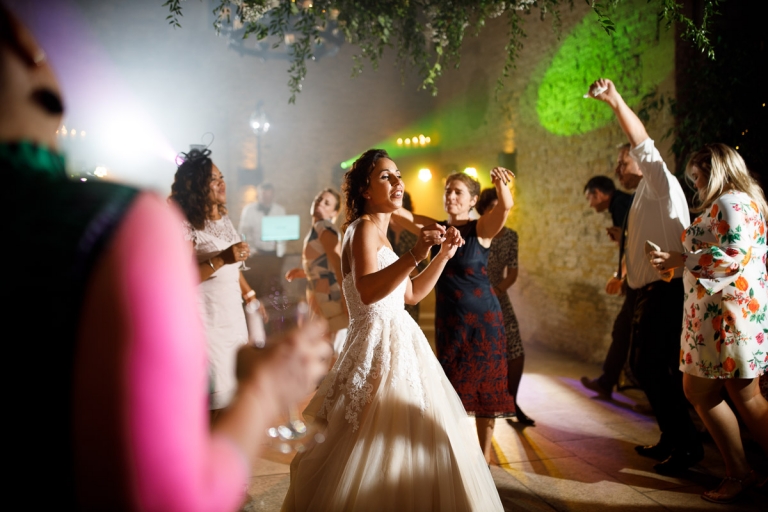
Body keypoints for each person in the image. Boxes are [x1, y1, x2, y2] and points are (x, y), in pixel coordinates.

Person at [3, 5, 331, 510]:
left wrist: (248, 293)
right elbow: (172, 499)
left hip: (230, 317)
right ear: (25, 46)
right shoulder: (122, 222)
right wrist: (268, 390)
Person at [282, 149, 504, 511]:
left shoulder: (383, 237)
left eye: (398, 175)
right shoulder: (361, 229)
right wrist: (417, 252)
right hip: (375, 345)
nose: (398, 182)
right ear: (366, 190)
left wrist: (443, 255)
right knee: (369, 444)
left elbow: (412, 294)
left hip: (403, 343)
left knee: (415, 442)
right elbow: (369, 292)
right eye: (386, 176)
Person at [588, 77, 704, 475]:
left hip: (666, 290)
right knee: (645, 367)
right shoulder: (640, 198)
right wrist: (625, 274)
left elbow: (643, 142)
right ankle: (674, 438)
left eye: (624, 161)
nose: (620, 167)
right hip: (646, 292)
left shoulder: (661, 183)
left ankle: (687, 446)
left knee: (652, 367)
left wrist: (615, 100)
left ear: (642, 163)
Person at [648, 144, 767, 503]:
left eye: (697, 178)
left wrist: (681, 258)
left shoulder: (730, 202)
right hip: (728, 315)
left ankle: (739, 474)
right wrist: (678, 266)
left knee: (710, 393)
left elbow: (732, 257)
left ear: (713, 172)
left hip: (724, 319)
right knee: (744, 397)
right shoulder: (744, 201)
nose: (696, 186)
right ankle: (742, 473)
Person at [395, 168, 517, 465]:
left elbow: (506, 207)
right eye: (447, 190)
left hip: (485, 322)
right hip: (450, 322)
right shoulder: (435, 230)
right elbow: (401, 216)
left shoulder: (481, 230)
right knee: (451, 385)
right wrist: (390, 186)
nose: (450, 196)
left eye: (457, 192)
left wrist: (501, 185)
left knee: (485, 389)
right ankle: (455, 451)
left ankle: (485, 456)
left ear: (473, 200)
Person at [169, 148, 268, 415]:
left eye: (221, 177)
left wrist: (250, 295)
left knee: (233, 391)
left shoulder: (222, 217)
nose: (222, 183)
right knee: (213, 398)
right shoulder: (185, 222)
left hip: (232, 316)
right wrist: (222, 258)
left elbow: (234, 269)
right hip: (207, 321)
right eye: (214, 179)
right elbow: (182, 278)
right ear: (197, 185)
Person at [475, 187, 534, 426]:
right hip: (475, 300)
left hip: (498, 297)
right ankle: (483, 407)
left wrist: (497, 291)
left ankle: (512, 402)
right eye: (494, 207)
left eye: (503, 208)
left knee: (516, 351)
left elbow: (513, 271)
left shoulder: (511, 236)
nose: (500, 212)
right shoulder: (475, 234)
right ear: (484, 209)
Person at [580, 175, 638, 399]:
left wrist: (619, 276)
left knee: (626, 332)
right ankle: (606, 382)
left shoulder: (621, 204)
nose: (590, 204)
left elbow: (634, 243)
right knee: (622, 330)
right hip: (635, 278)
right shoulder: (620, 203)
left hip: (640, 280)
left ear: (599, 194)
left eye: (589, 198)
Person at [285, 188, 348, 358]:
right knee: (325, 354)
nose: (320, 202)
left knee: (330, 354)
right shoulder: (316, 228)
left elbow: (338, 262)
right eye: (319, 198)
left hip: (330, 300)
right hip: (319, 298)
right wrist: (303, 272)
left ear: (334, 212)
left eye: (327, 202)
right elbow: (324, 266)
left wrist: (345, 299)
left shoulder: (324, 226)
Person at [239, 182, 287, 301]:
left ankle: (274, 311)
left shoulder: (280, 210)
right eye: (263, 195)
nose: (266, 198)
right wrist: (251, 251)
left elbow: (284, 233)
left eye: (269, 195)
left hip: (274, 254)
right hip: (256, 254)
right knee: (257, 283)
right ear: (258, 195)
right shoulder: (249, 210)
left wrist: (281, 253)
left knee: (273, 284)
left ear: (273, 195)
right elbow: (243, 233)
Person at [386, 190, 427, 322]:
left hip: (407, 292)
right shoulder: (382, 232)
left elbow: (423, 266)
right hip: (385, 291)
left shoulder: (414, 234)